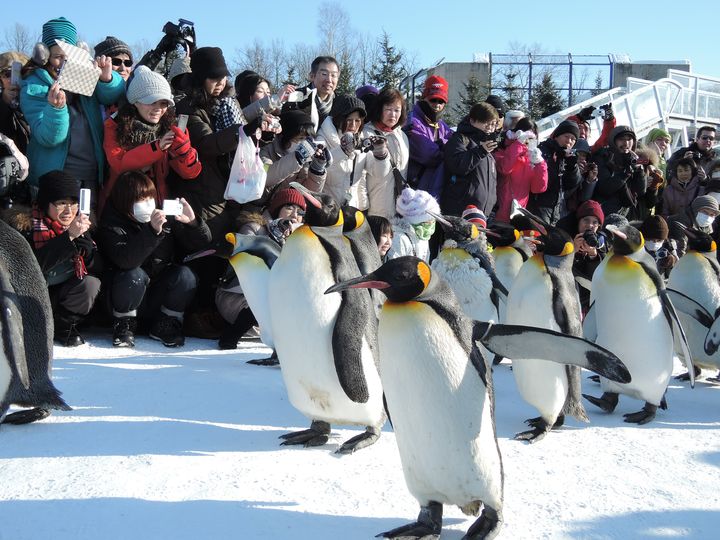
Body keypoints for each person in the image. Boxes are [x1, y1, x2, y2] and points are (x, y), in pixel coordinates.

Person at [96, 170, 212, 348]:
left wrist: (193, 224)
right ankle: (124, 325)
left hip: (157, 292)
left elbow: (201, 245)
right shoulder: (111, 224)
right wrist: (152, 232)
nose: (147, 204)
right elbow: (126, 260)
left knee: (185, 275)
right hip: (125, 294)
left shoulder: (163, 218)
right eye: (140, 200)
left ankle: (167, 323)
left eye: (150, 198)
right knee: (133, 275)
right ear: (124, 201)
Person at [20, 17, 125, 198]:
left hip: (90, 175)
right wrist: (56, 109)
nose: (64, 63)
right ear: (44, 57)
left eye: (69, 57)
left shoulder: (82, 74)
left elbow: (112, 95)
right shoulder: (34, 86)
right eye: (58, 57)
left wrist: (107, 79)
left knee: (87, 225)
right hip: (56, 177)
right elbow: (49, 138)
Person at [1, 170, 101, 346]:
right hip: (31, 295)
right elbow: (30, 269)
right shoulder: (26, 227)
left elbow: (100, 269)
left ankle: (64, 325)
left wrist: (90, 254)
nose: (69, 211)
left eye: (73, 203)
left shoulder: (83, 225)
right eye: (62, 203)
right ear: (46, 204)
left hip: (61, 296)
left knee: (90, 284)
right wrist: (67, 238)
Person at [100, 65, 201, 216]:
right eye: (151, 102)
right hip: (121, 206)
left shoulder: (172, 127)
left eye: (163, 103)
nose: (158, 109)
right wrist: (157, 147)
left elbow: (191, 173)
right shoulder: (115, 125)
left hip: (159, 205)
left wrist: (184, 151)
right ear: (135, 101)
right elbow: (119, 164)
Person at [215, 187, 306, 350]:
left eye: (300, 211)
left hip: (270, 309)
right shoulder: (255, 228)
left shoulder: (301, 239)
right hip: (238, 299)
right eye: (289, 207)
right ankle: (231, 335)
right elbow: (248, 261)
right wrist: (275, 237)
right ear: (277, 209)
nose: (294, 215)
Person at [317, 94, 389, 209]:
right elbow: (319, 168)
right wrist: (342, 151)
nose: (353, 125)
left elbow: (378, 174)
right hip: (328, 208)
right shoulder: (323, 137)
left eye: (357, 121)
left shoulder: (362, 138)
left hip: (353, 208)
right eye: (349, 120)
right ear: (339, 118)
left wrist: (380, 155)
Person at [441, 102, 499, 217]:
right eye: (485, 122)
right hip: (460, 210)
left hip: (483, 214)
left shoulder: (488, 148)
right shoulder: (460, 139)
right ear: (472, 120)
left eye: (493, 124)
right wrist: (481, 151)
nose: (489, 127)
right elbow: (457, 165)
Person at [259, 107, 328, 200]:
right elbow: (265, 177)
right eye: (300, 138)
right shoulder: (267, 150)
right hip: (260, 208)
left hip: (287, 209)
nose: (304, 144)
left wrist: (317, 170)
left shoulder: (305, 160)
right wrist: (296, 158)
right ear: (286, 135)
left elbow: (307, 194)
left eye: (308, 140)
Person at [362, 87, 409, 219]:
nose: (393, 114)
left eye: (397, 110)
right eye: (388, 109)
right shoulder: (366, 133)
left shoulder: (402, 136)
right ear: (380, 109)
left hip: (399, 207)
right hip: (375, 207)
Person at [404, 75, 453, 198]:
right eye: (433, 100)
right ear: (424, 98)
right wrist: (447, 152)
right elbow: (428, 155)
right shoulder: (413, 121)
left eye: (441, 101)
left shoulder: (441, 125)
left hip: (435, 189)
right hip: (416, 189)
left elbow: (455, 146)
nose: (437, 105)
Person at [493, 117, 548, 223]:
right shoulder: (502, 151)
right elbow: (505, 168)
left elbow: (538, 188)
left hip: (519, 214)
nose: (528, 140)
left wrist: (540, 163)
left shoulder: (531, 158)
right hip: (498, 213)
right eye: (526, 136)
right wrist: (518, 144)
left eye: (532, 137)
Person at [528, 119, 582, 225]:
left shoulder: (566, 157)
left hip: (556, 209)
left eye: (573, 139)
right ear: (557, 136)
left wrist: (572, 166)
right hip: (538, 205)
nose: (569, 141)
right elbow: (545, 182)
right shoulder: (543, 150)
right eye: (566, 136)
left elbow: (572, 184)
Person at [557, 199, 606, 313]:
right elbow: (556, 269)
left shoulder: (600, 244)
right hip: (565, 294)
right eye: (586, 220)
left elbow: (600, 279)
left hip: (588, 300)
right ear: (578, 221)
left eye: (595, 222)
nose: (590, 225)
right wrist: (572, 251)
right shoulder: (563, 238)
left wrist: (593, 256)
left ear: (599, 226)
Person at [591, 125, 647, 221]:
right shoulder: (603, 157)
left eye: (629, 139)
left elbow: (641, 191)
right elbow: (605, 188)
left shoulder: (633, 159)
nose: (626, 143)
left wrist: (639, 170)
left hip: (627, 215)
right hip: (605, 214)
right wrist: (626, 172)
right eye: (621, 139)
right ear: (613, 141)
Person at [386, 187, 439, 262]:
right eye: (429, 221)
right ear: (418, 222)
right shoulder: (399, 239)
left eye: (434, 220)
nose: (432, 223)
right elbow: (393, 268)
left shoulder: (422, 237)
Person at [291, 56, 339, 132]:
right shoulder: (297, 96)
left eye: (333, 75)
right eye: (324, 74)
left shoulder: (340, 102)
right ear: (312, 76)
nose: (329, 80)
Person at [668, 194, 720, 259]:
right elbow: (680, 250)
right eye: (705, 212)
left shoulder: (707, 226)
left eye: (712, 214)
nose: (708, 217)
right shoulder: (680, 223)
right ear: (695, 209)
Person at [0, 51, 30, 154]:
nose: (12, 79)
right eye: (7, 74)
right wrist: (4, 103)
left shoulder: (36, 100)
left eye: (18, 73)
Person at [639, 215, 677, 279]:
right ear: (643, 237)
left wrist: (671, 263)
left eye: (659, 240)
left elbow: (673, 278)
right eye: (650, 239)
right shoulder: (634, 248)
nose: (655, 243)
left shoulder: (668, 249)